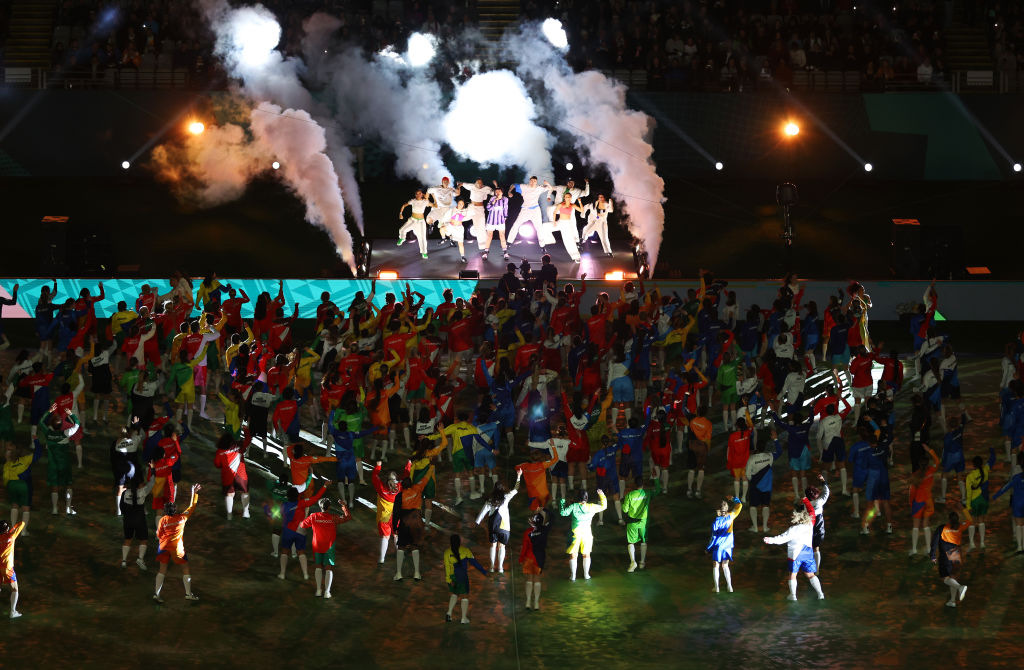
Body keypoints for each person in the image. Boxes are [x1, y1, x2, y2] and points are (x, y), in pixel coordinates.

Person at [763, 500, 825, 602]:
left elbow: (781, 538)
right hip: (808, 553)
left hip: (795, 554)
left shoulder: (793, 529)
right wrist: (806, 501)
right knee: (811, 574)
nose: (792, 515)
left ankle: (793, 595)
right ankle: (820, 593)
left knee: (792, 574)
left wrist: (770, 540)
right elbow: (812, 512)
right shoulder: (810, 525)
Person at [154, 483, 201, 603]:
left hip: (163, 546)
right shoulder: (182, 518)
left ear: (165, 511)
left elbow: (158, 535)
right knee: (185, 568)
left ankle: (157, 594)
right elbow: (192, 506)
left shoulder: (162, 520)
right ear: (175, 510)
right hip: (177, 549)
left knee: (162, 570)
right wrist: (194, 493)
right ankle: (188, 593)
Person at [299, 497, 352, 598]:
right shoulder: (334, 518)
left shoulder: (313, 516)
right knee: (328, 568)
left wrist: (308, 516)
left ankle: (318, 590)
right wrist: (343, 506)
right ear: (329, 507)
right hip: (329, 547)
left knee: (318, 567)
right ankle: (327, 592)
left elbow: (302, 525)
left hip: (317, 546)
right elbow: (348, 517)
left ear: (320, 506)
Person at [279, 483, 328, 581]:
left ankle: (282, 573)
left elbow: (281, 516)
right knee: (301, 552)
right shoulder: (302, 503)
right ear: (298, 496)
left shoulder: (283, 505)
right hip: (300, 531)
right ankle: (305, 574)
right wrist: (325, 486)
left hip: (288, 531)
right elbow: (316, 497)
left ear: (287, 496)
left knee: (285, 551)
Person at [473, 473, 521, 573]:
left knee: (493, 546)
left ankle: (491, 567)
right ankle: (500, 568)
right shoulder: (506, 497)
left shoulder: (490, 500)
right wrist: (519, 476)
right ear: (503, 489)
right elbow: (516, 489)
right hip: (504, 527)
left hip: (492, 526)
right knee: (502, 546)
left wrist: (477, 522)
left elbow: (482, 513)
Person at [559, 488, 608, 581]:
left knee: (573, 555)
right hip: (587, 535)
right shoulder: (591, 507)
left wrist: (562, 501)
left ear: (578, 497)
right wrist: (602, 495)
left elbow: (563, 513)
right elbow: (604, 506)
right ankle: (586, 575)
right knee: (586, 554)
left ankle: (573, 576)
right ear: (587, 498)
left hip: (575, 535)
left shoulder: (574, 506)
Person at [929, 503, 972, 607]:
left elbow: (934, 542)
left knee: (945, 578)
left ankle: (960, 588)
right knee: (953, 577)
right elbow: (970, 520)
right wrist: (964, 509)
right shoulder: (960, 527)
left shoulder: (942, 528)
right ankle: (952, 601)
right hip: (956, 554)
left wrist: (933, 555)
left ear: (949, 519)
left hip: (945, 555)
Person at [373, 460, 412, 565]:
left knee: (385, 537)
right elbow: (406, 477)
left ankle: (381, 559)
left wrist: (378, 466)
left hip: (384, 517)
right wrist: (408, 464)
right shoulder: (400, 487)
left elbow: (374, 476)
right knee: (396, 535)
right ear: (396, 480)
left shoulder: (381, 487)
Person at [443, 533, 488, 624]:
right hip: (462, 577)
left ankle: (449, 613)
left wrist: (449, 580)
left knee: (455, 593)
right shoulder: (466, 550)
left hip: (452, 577)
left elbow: (447, 567)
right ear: (459, 542)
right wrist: (485, 572)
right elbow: (475, 563)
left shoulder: (447, 552)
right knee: (464, 596)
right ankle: (463, 618)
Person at [909, 444, 940, 555]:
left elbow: (911, 492)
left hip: (918, 502)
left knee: (916, 526)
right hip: (928, 501)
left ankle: (914, 549)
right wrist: (930, 450)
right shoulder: (931, 470)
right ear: (927, 464)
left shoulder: (915, 475)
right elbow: (937, 461)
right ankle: (928, 548)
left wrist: (911, 504)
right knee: (926, 524)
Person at [213, 429, 251, 521]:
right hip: (241, 476)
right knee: (244, 492)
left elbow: (217, 464)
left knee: (230, 495)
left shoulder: (219, 452)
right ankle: (246, 513)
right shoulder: (239, 445)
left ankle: (229, 515)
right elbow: (248, 440)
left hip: (227, 477)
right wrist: (246, 430)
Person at [707, 497, 742, 592]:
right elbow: (739, 505)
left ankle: (716, 587)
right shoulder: (731, 516)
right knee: (726, 566)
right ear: (727, 509)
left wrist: (708, 548)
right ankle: (730, 587)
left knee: (716, 566)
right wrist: (734, 498)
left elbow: (713, 537)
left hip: (718, 546)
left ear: (718, 510)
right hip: (728, 546)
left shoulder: (715, 522)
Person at [120, 470, 154, 570]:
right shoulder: (142, 492)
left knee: (127, 539)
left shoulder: (125, 493)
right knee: (143, 540)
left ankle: (124, 561)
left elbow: (121, 507)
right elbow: (152, 483)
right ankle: (140, 558)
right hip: (139, 520)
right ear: (140, 484)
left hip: (128, 520)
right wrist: (152, 470)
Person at [991, 452, 1024, 554]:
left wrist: (994, 496)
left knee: (1018, 524)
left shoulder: (1017, 476)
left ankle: (1019, 547)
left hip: (1017, 502)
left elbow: (1005, 488)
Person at [506, 177, 552, 247]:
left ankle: (542, 246)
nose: (533, 182)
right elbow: (514, 185)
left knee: (539, 228)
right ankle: (509, 242)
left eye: (534, 181)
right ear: (529, 181)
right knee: (516, 225)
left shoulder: (539, 188)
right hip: (525, 210)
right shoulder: (524, 186)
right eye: (531, 180)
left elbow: (550, 188)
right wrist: (509, 191)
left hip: (535, 210)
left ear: (536, 182)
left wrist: (547, 183)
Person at [964, 448, 995, 549]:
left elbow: (968, 493)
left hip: (974, 501)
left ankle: (972, 544)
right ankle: (982, 543)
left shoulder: (970, 476)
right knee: (981, 520)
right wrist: (992, 451)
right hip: (984, 500)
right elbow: (992, 460)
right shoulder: (986, 469)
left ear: (973, 465)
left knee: (972, 521)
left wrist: (968, 506)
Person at [519, 510, 550, 610]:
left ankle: (528, 601)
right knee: (537, 580)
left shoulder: (528, 532)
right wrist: (541, 510)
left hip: (528, 558)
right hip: (539, 558)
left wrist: (521, 558)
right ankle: (536, 602)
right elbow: (546, 520)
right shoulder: (544, 531)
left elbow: (524, 547)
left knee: (529, 579)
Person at [622, 477, 651, 572]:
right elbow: (658, 490)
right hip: (643, 522)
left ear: (634, 485)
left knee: (631, 542)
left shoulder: (629, 495)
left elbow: (625, 510)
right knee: (643, 541)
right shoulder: (647, 493)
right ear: (643, 484)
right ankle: (642, 562)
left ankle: (633, 562)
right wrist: (656, 480)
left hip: (632, 522)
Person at [805, 473, 829, 571]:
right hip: (819, 530)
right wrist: (823, 481)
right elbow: (826, 491)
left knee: (808, 549)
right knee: (816, 549)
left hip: (807, 531)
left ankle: (807, 568)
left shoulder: (804, 505)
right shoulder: (819, 502)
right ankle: (817, 569)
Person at [0, 520, 24, 618]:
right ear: (7, 529)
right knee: (15, 588)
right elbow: (22, 523)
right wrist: (12, 529)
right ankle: (13, 612)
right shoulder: (11, 537)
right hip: (7, 567)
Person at [397, 189, 431, 259]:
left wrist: (426, 196)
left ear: (422, 194)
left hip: (421, 222)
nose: (418, 195)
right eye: (417, 194)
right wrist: (400, 213)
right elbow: (404, 205)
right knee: (402, 230)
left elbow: (432, 204)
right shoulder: (413, 201)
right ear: (415, 195)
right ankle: (402, 238)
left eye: (420, 193)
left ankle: (424, 252)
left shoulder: (425, 201)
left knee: (422, 238)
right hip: (412, 220)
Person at [481, 187, 510, 260]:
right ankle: (486, 252)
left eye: (499, 191)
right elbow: (488, 208)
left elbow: (506, 209)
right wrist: (494, 201)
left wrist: (505, 218)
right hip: (491, 221)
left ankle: (505, 252)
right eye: (496, 192)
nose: (497, 193)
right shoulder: (492, 198)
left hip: (501, 221)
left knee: (502, 236)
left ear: (502, 192)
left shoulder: (505, 199)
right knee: (489, 236)